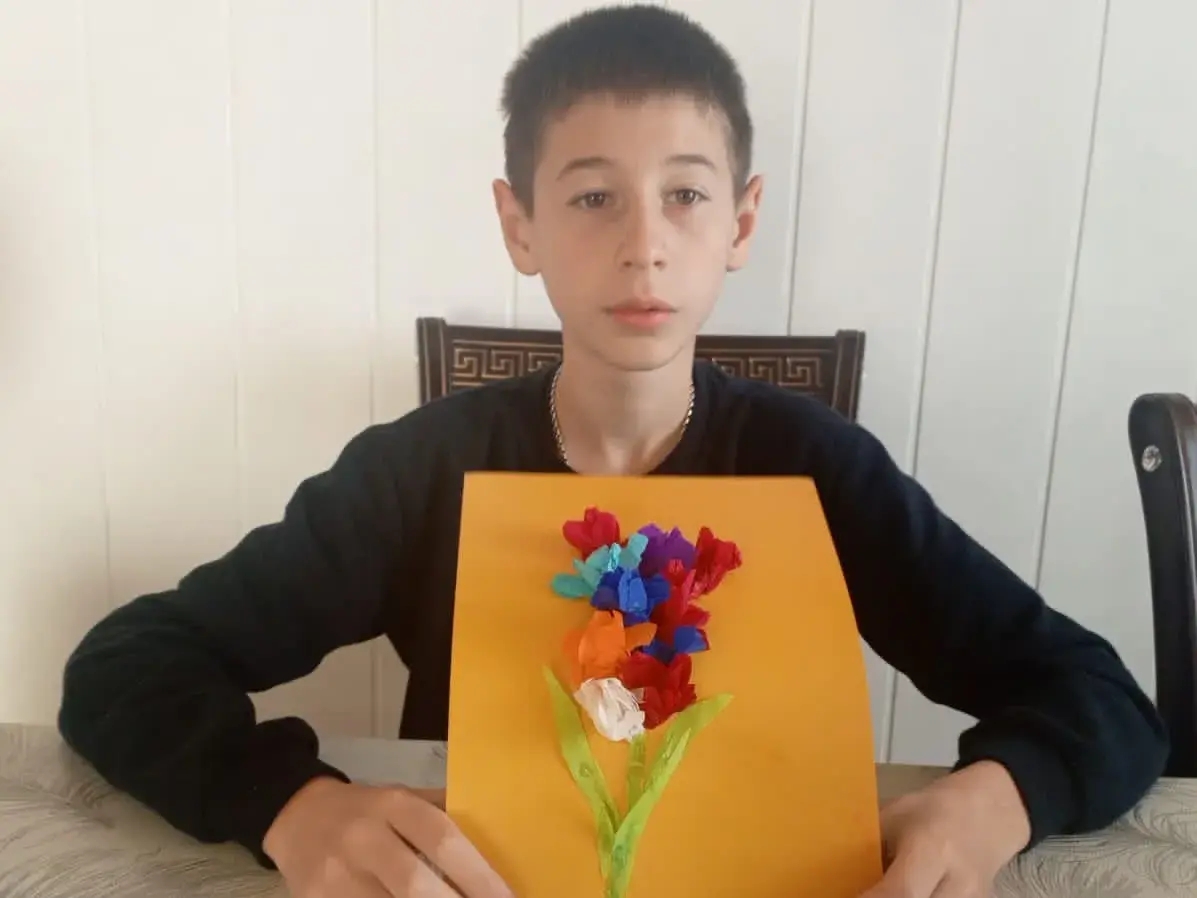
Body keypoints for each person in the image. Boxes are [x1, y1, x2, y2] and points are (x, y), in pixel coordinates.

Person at [58, 5, 1167, 898]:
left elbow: (1100, 697)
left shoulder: (820, 470)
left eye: (685, 194)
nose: (644, 245)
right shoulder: (418, 471)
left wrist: (994, 800)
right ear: (520, 225)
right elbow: (125, 666)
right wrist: (289, 805)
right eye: (592, 196)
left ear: (740, 223)